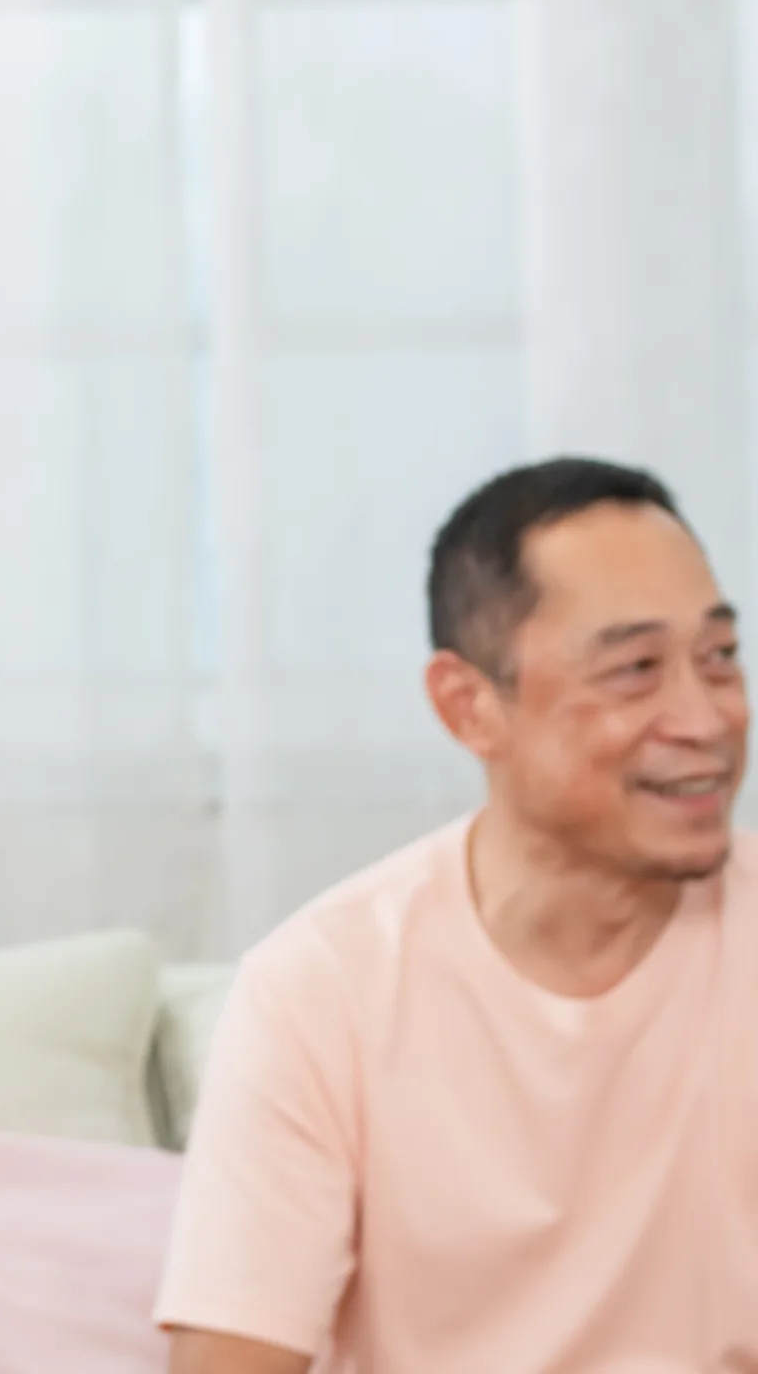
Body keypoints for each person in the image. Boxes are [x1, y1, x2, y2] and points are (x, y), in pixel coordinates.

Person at [157, 458, 758, 1371]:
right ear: (469, 706)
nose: (706, 718)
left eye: (718, 658)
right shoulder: (318, 994)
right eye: (636, 670)